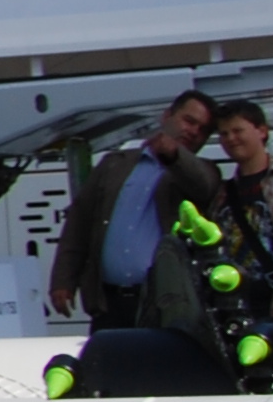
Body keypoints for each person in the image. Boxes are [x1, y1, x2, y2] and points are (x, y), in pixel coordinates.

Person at [48, 89, 228, 332]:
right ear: (167, 116)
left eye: (203, 130)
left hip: (163, 302)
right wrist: (63, 280)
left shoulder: (204, 171)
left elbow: (203, 185)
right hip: (109, 301)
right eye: (189, 121)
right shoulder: (115, 164)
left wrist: (174, 156)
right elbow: (79, 223)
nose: (194, 131)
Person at [214, 100, 273, 323]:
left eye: (237, 130)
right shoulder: (223, 192)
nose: (231, 139)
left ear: (262, 131)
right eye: (224, 134)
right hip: (240, 308)